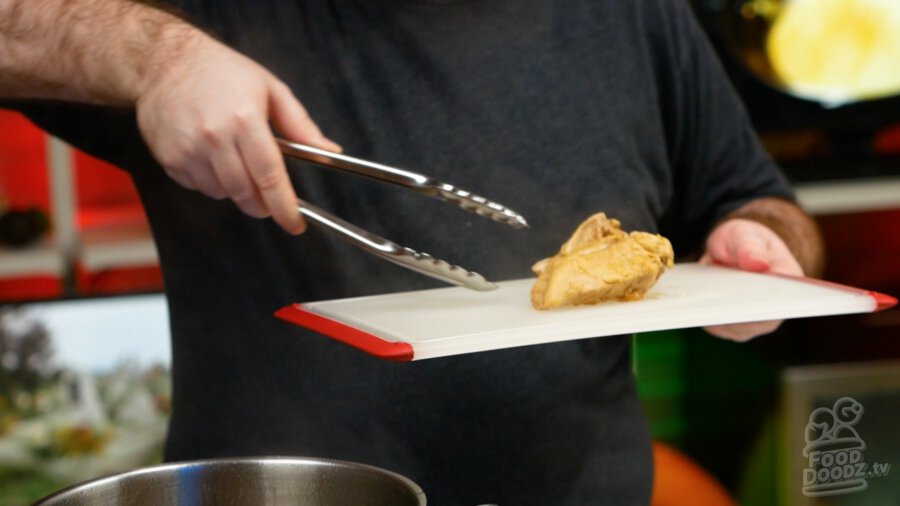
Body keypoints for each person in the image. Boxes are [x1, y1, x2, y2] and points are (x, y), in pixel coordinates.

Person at [0, 0, 824, 504]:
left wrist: (763, 247)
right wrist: (159, 60)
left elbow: (755, 199)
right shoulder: (207, 11)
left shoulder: (628, 12)